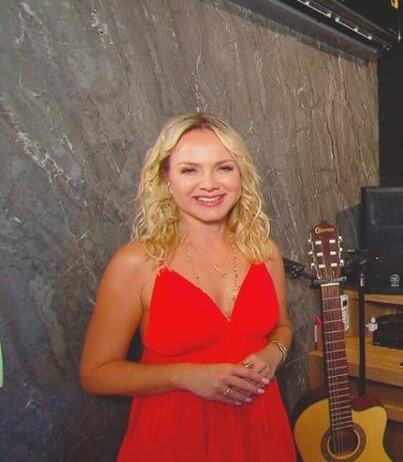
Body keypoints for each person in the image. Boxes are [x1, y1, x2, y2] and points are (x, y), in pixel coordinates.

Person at [80, 112, 297, 461]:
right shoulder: (136, 263)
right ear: (166, 179)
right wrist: (184, 376)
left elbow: (281, 328)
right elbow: (96, 374)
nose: (209, 184)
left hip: (261, 429)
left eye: (223, 167)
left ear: (241, 174)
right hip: (175, 438)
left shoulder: (265, 252)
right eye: (189, 170)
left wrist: (275, 353)